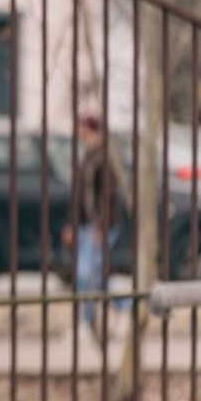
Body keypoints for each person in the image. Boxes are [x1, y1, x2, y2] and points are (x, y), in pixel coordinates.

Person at [62, 114, 131, 347]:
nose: (81, 134)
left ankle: (107, 312)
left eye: (84, 130)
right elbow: (80, 197)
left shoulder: (103, 159)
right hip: (86, 227)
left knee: (87, 274)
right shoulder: (87, 157)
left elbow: (107, 197)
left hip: (100, 227)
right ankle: (121, 307)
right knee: (92, 276)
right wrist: (74, 224)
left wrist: (101, 226)